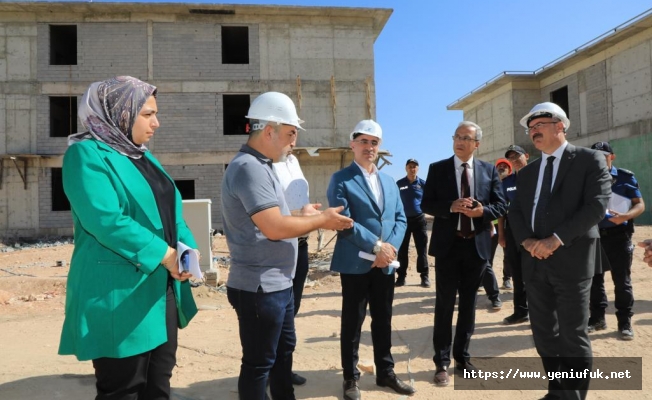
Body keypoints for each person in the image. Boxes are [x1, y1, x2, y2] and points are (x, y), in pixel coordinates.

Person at [58, 76, 199, 399]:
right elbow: (106, 220)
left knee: (158, 384)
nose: (156, 123)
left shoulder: (142, 156)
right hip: (118, 294)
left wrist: (188, 250)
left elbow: (172, 212)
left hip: (159, 292)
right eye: (147, 114)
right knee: (123, 389)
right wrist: (165, 255)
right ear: (120, 112)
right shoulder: (86, 155)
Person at [222, 91, 353, 400]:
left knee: (282, 352)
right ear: (269, 131)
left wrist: (301, 214)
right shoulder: (249, 168)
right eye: (291, 133)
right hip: (259, 287)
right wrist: (320, 219)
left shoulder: (262, 165)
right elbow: (274, 227)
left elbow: (272, 217)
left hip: (276, 283)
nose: (294, 141)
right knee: (258, 365)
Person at [508, 102, 611, 400]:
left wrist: (555, 240)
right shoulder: (527, 173)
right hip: (535, 263)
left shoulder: (589, 160)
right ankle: (557, 392)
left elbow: (597, 205)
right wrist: (528, 242)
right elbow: (514, 212)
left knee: (572, 334)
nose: (534, 131)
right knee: (544, 334)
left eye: (539, 124)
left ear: (560, 126)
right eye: (531, 127)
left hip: (572, 261)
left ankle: (574, 396)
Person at [327, 119, 415, 400]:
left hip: (385, 263)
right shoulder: (341, 179)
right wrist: (377, 247)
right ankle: (350, 377)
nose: (369, 147)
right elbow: (344, 220)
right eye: (363, 141)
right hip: (356, 262)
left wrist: (389, 250)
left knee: (383, 320)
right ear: (352, 144)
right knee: (353, 322)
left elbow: (400, 218)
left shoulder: (389, 182)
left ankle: (385, 373)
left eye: (374, 142)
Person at [421, 121, 507, 387]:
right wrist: (451, 206)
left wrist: (483, 212)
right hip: (448, 247)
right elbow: (426, 203)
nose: (460, 141)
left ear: (476, 144)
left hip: (476, 247)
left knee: (469, 306)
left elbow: (501, 205)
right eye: (457, 136)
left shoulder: (488, 170)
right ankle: (441, 363)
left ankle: (463, 358)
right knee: (445, 305)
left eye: (466, 138)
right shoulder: (438, 169)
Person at [587, 141, 645, 340]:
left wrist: (625, 216)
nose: (600, 159)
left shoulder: (625, 177)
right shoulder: (586, 180)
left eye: (604, 155)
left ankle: (624, 322)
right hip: (593, 236)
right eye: (595, 155)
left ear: (612, 156)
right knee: (594, 280)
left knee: (622, 281)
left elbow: (640, 205)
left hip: (619, 236)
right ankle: (597, 319)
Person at [272, 152, 311, 385]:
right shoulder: (265, 163)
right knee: (274, 315)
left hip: (301, 244)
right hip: (279, 245)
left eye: (296, 132)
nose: (294, 138)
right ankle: (266, 371)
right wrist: (301, 216)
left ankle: (283, 370)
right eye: (290, 132)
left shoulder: (293, 161)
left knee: (290, 311)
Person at [500, 145, 531, 325]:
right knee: (517, 273)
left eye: (517, 156)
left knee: (537, 273)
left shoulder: (538, 176)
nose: (514, 160)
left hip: (535, 231)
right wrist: (502, 235)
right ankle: (520, 311)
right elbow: (502, 212)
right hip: (513, 232)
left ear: (526, 156)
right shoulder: (507, 182)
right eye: (511, 158)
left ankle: (541, 313)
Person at [395, 158, 430, 288]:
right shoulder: (399, 184)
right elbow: (394, 201)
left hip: (419, 220)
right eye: (410, 166)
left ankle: (424, 277)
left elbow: (429, 200)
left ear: (418, 169)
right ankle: (401, 277)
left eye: (415, 166)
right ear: (406, 168)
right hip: (403, 221)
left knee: (422, 250)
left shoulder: (423, 184)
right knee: (402, 250)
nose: (412, 169)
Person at [493, 158, 513, 290]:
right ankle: (484, 280)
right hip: (489, 224)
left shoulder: (512, 182)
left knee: (508, 253)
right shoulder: (491, 183)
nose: (501, 167)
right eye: (499, 165)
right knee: (486, 254)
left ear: (509, 169)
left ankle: (506, 279)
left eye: (504, 166)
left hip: (506, 224)